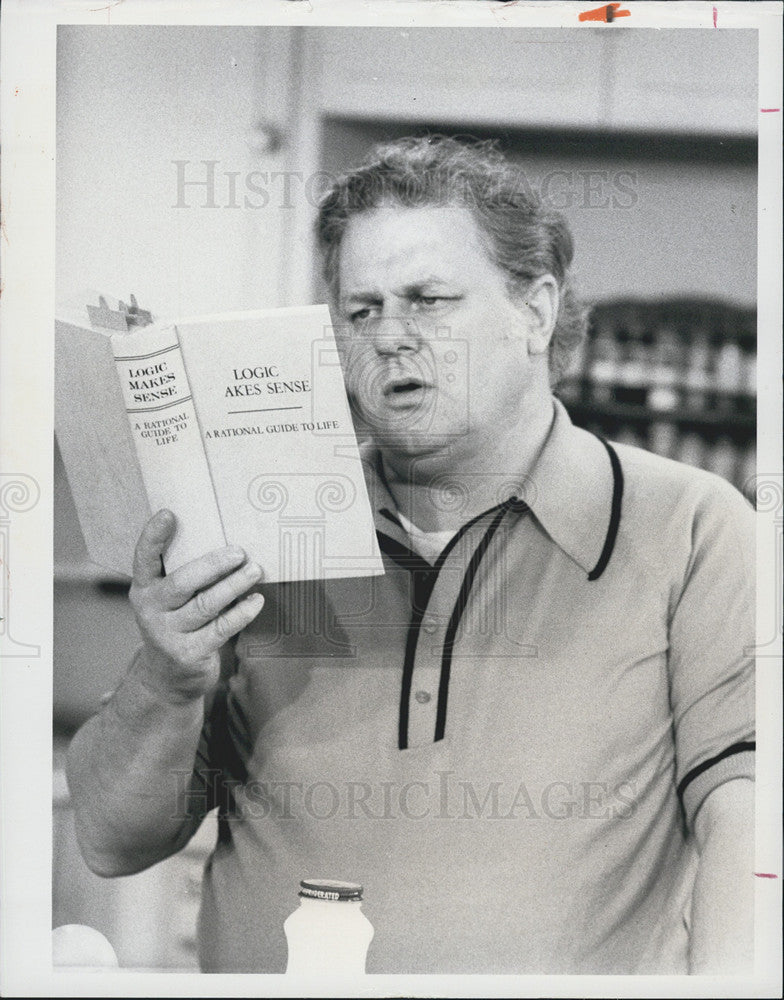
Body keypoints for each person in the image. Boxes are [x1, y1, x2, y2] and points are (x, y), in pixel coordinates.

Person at [66, 136, 755, 975]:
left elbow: (747, 818)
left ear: (535, 311)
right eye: (361, 311)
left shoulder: (691, 527)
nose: (390, 336)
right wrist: (167, 678)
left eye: (428, 299)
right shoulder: (264, 527)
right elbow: (109, 841)